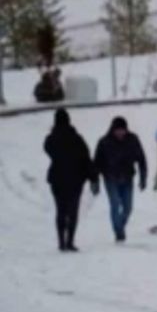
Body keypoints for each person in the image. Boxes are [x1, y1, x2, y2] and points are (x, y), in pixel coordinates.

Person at [44, 108, 98, 252]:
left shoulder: (52, 139)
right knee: (73, 211)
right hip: (75, 180)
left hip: (57, 179)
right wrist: (93, 177)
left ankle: (61, 241)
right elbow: (86, 158)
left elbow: (47, 149)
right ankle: (70, 242)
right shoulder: (77, 138)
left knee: (60, 210)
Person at [93, 116, 148, 243]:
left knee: (128, 208)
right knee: (115, 204)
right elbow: (96, 163)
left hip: (127, 178)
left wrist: (143, 177)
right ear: (113, 129)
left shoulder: (133, 140)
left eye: (122, 130)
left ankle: (120, 227)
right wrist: (95, 181)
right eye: (118, 130)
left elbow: (141, 159)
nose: (120, 132)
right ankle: (119, 233)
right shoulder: (104, 142)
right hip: (110, 178)